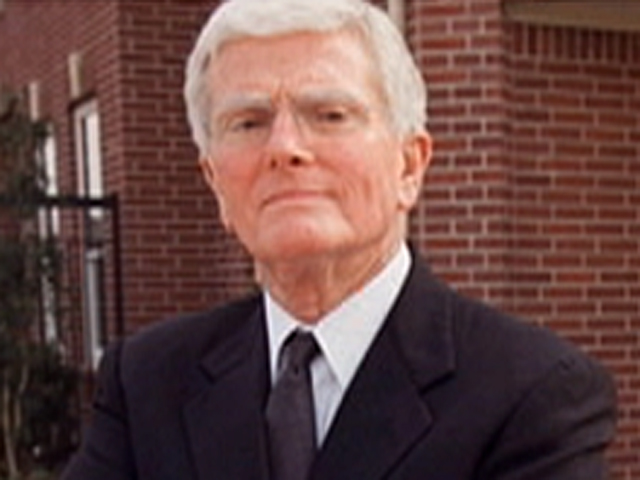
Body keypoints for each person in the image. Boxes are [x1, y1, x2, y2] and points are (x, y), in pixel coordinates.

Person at [62, 0, 616, 478]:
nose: (285, 148)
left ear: (409, 165)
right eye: (249, 122)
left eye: (329, 115)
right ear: (215, 182)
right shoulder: (147, 383)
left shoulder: (532, 396)